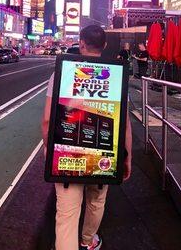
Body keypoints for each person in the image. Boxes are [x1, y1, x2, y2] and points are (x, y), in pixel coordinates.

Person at [42, 25, 132, 250]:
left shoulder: (62, 72)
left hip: (67, 152)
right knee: (96, 201)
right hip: (104, 154)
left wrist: (48, 149)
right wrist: (126, 157)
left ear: (81, 43)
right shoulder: (116, 74)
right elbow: (124, 123)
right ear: (103, 46)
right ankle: (88, 241)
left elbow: (47, 120)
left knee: (66, 215)